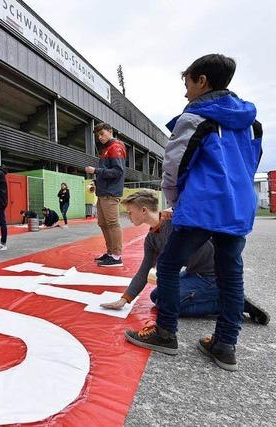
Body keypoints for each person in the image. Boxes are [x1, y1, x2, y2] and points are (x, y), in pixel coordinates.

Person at [125, 54, 264, 371]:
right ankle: (225, 345)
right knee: (231, 273)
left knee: (170, 264)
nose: (186, 91)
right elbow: (248, 165)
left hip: (202, 203)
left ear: (202, 81)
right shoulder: (251, 124)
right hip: (238, 204)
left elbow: (174, 166)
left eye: (187, 82)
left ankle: (165, 333)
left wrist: (175, 201)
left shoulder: (193, 118)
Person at [100, 191, 269, 325]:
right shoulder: (151, 239)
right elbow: (144, 271)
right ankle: (225, 297)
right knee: (156, 297)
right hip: (193, 272)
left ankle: (232, 303)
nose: (128, 217)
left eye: (130, 212)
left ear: (144, 210)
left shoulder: (177, 221)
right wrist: (124, 299)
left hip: (212, 275)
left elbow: (199, 211)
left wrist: (177, 210)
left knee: (168, 306)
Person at [85, 123, 126, 267]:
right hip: (103, 192)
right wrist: (98, 180)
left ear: (110, 131)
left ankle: (116, 256)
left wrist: (96, 171)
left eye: (102, 134)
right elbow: (110, 171)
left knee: (113, 224)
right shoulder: (107, 149)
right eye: (98, 135)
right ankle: (110, 253)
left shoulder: (115, 147)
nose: (100, 137)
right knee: (103, 223)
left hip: (110, 193)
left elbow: (118, 171)